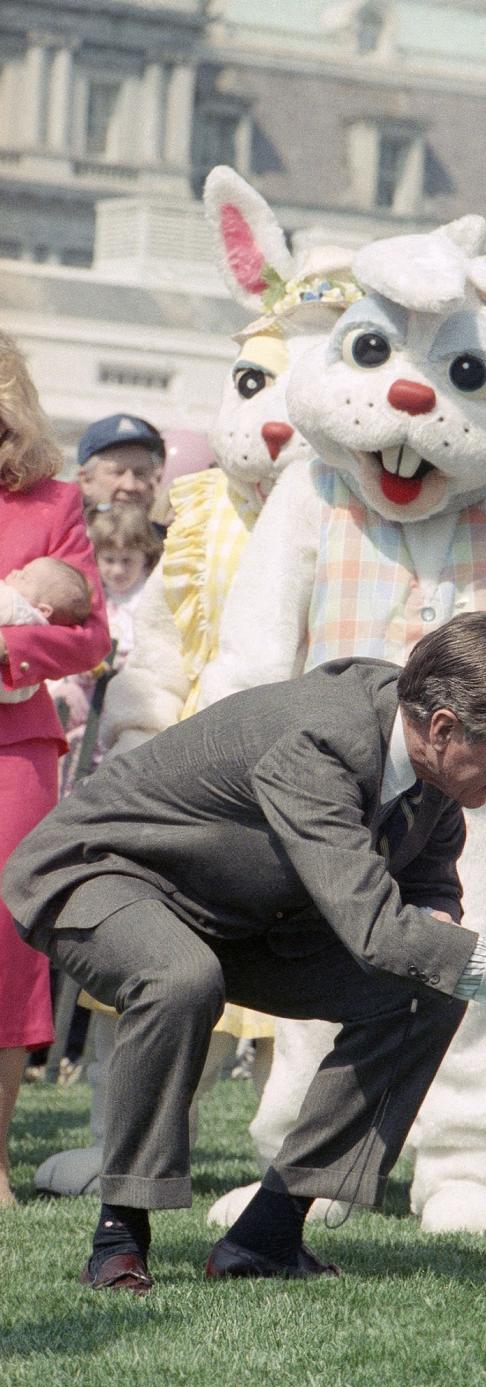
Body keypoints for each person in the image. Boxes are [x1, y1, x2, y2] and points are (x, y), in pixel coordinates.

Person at [3, 612, 486, 1291]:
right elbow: (378, 929)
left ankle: (269, 1232)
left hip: (244, 912)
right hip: (101, 871)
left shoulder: (432, 768)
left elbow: (430, 893)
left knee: (429, 985)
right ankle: (120, 1233)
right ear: (443, 727)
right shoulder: (320, 743)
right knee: (179, 977)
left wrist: (440, 932)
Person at [0, 330, 110, 1207]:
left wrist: (6, 648)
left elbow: (90, 634)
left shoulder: (53, 500)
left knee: (6, 950)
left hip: (13, 749)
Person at [51, 507, 162, 793]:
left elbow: (152, 641)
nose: (118, 570)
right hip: (89, 690)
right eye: (109, 560)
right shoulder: (92, 595)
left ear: (145, 556)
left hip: (129, 688)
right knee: (69, 720)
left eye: (127, 561)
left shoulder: (148, 594)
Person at [0, 558, 92, 702]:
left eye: (24, 577)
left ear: (43, 609)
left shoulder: (14, 604)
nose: (15, 572)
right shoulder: (37, 628)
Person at [75, 413, 165, 519]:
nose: (130, 486)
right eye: (118, 473)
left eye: (140, 473)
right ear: (86, 480)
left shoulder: (170, 535)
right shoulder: (62, 534)